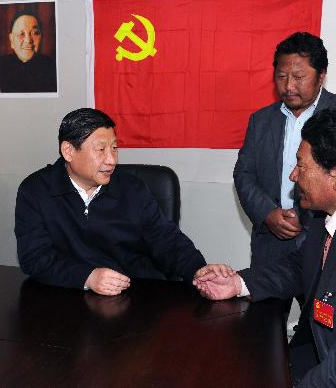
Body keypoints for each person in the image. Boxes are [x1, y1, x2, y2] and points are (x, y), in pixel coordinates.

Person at [194, 108, 336, 387]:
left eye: (301, 165)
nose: (293, 176)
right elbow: (302, 266)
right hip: (322, 352)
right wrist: (238, 283)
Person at [15, 108, 230, 296]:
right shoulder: (35, 191)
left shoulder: (131, 188)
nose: (111, 160)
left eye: (115, 148)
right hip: (66, 297)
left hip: (135, 296)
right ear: (68, 151)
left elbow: (165, 238)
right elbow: (35, 257)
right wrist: (87, 277)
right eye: (100, 150)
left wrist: (196, 269)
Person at [234, 32, 336, 267]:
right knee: (264, 303)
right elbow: (243, 174)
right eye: (281, 76)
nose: (288, 86)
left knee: (321, 305)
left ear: (321, 76)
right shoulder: (261, 120)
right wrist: (267, 213)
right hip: (271, 242)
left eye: (298, 77)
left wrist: (302, 216)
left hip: (326, 240)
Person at [0, 10, 57, 93]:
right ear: (11, 40)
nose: (28, 40)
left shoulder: (53, 67)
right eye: (21, 34)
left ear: (41, 37)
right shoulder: (0, 66)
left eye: (35, 33)